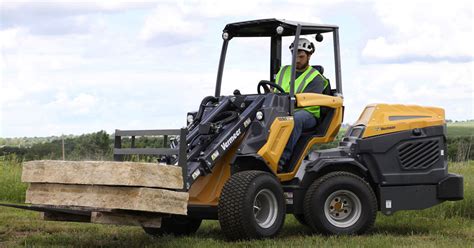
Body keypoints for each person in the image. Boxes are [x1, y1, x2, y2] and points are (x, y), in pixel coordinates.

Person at [275, 37, 328, 171]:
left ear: (309, 55)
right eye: (295, 56)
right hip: (284, 109)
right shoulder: (283, 71)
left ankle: (281, 160)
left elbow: (307, 102)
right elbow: (274, 90)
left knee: (295, 119)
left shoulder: (315, 77)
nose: (297, 60)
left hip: (308, 114)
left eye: (301, 56)